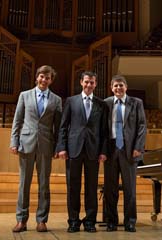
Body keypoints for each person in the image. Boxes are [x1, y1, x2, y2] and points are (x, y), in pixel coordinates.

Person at [10, 65, 62, 233]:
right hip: (26, 143)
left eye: (47, 78)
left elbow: (58, 126)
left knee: (44, 185)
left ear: (51, 80)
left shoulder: (56, 100)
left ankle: (41, 220)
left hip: (46, 146)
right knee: (24, 184)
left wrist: (58, 147)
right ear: (36, 77)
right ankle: (21, 220)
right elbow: (17, 121)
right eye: (41, 76)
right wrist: (14, 141)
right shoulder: (24, 96)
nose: (43, 80)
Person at [56, 71, 108, 233]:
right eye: (86, 82)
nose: (89, 85)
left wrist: (103, 151)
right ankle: (73, 220)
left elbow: (104, 131)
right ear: (81, 82)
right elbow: (63, 126)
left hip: (93, 151)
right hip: (73, 150)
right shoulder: (71, 101)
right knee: (73, 187)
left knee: (91, 187)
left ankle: (90, 221)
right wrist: (61, 147)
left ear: (96, 84)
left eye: (92, 82)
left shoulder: (102, 104)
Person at [103, 75, 146, 232]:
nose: (118, 88)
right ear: (111, 88)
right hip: (111, 149)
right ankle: (111, 222)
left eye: (121, 85)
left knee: (130, 189)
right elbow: (102, 129)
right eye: (115, 86)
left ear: (126, 87)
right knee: (110, 189)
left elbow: (142, 126)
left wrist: (138, 147)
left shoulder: (136, 103)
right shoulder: (106, 103)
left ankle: (130, 221)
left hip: (129, 150)